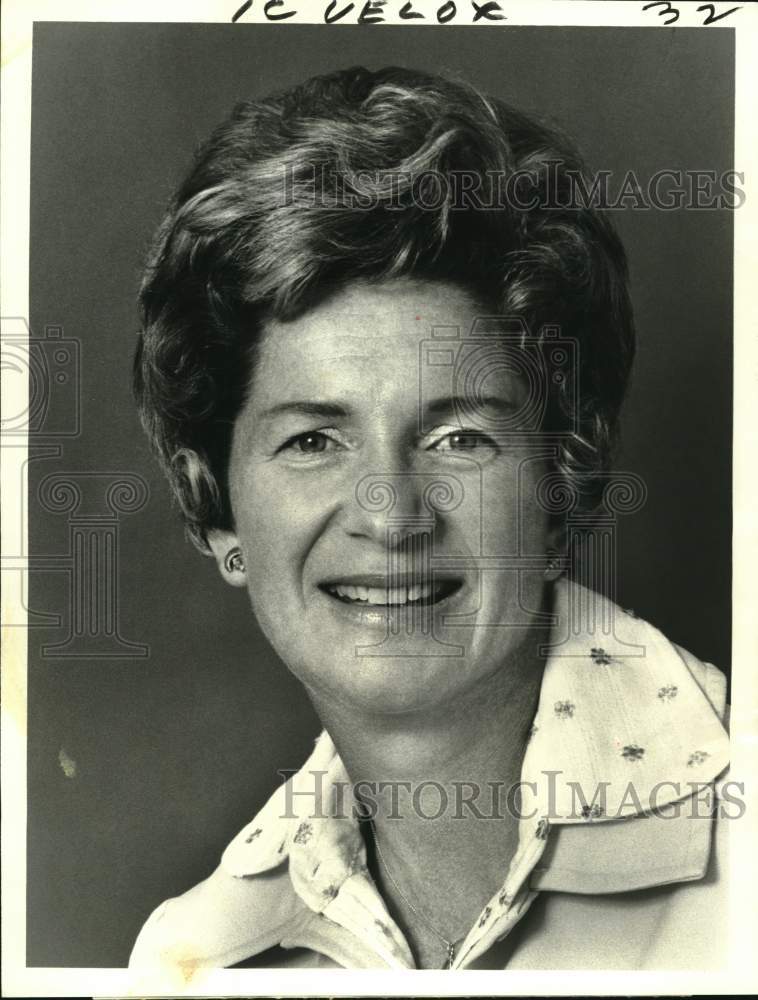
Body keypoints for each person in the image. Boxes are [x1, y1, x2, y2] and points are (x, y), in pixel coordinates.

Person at [128, 66, 730, 976]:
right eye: (313, 440)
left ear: (562, 491)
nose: (391, 515)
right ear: (220, 513)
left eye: (457, 438)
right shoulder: (197, 951)